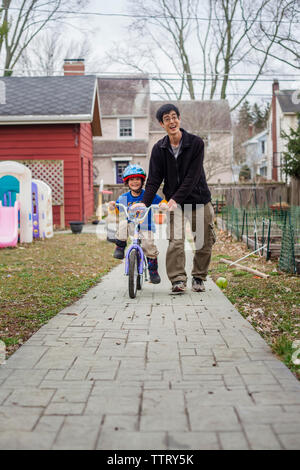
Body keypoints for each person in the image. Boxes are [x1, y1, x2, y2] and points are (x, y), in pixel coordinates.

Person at [137, 103, 216, 293]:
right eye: (167, 119)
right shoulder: (159, 149)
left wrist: (174, 199)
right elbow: (154, 180)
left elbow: (192, 177)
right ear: (161, 124)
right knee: (176, 240)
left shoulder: (196, 143)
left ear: (179, 119)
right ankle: (178, 280)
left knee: (204, 241)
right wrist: (144, 203)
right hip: (176, 206)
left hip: (199, 200)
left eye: (174, 117)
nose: (171, 121)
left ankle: (198, 277)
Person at [108, 164, 167, 284]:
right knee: (123, 222)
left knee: (148, 245)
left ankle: (153, 271)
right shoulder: (124, 197)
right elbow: (118, 210)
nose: (134, 182)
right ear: (127, 182)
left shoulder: (148, 195)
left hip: (146, 227)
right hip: (131, 226)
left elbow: (161, 201)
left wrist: (163, 204)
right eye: (131, 179)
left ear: (142, 181)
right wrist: (113, 206)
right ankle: (120, 246)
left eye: (137, 179)